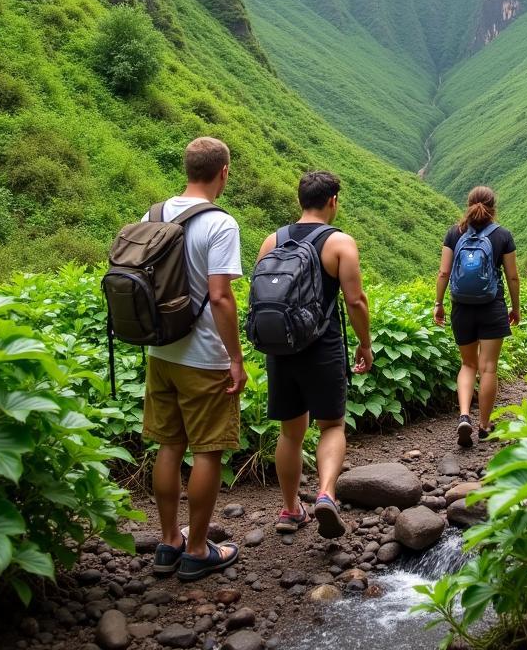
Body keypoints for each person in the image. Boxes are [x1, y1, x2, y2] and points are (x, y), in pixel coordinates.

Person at [142, 137, 246, 582]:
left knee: (169, 445)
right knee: (208, 450)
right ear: (222, 172)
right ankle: (199, 549)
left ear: (187, 168)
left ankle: (168, 542)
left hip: (159, 349)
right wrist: (236, 358)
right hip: (203, 356)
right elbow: (221, 297)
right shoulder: (220, 224)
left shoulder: (153, 214)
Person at [256, 171, 373, 539]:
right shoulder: (340, 243)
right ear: (333, 201)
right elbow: (355, 301)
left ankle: (291, 509)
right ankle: (325, 493)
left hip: (280, 346)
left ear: (299, 200)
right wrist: (365, 344)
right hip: (321, 345)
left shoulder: (272, 240)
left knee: (290, 433)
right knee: (332, 425)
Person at [434, 186, 521, 448]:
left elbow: (443, 273)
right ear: (494, 207)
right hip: (492, 306)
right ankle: (484, 425)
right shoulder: (503, 235)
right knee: (488, 367)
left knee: (468, 364)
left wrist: (438, 303)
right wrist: (515, 307)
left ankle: (463, 415)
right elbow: (513, 276)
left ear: (468, 204)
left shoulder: (454, 233)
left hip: (461, 307)